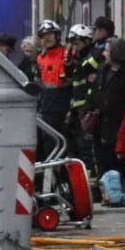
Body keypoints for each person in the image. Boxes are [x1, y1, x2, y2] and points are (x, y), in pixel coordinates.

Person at [91, 38, 125, 181]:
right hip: (101, 126)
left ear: (116, 53)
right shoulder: (103, 70)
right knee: (102, 162)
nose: (104, 54)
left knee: (118, 164)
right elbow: (95, 92)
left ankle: (118, 189)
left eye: (107, 51)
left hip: (119, 126)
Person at [64, 23, 101, 165]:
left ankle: (91, 178)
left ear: (86, 41)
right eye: (72, 44)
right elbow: (72, 78)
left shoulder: (94, 56)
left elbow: (85, 71)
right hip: (77, 110)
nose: (74, 47)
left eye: (77, 43)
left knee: (87, 150)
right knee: (75, 148)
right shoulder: (78, 58)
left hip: (87, 110)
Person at [33, 20, 69, 160]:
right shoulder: (40, 58)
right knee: (48, 145)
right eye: (43, 36)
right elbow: (38, 85)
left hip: (65, 108)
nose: (46, 38)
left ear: (57, 35)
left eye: (49, 34)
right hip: (47, 108)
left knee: (66, 146)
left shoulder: (66, 55)